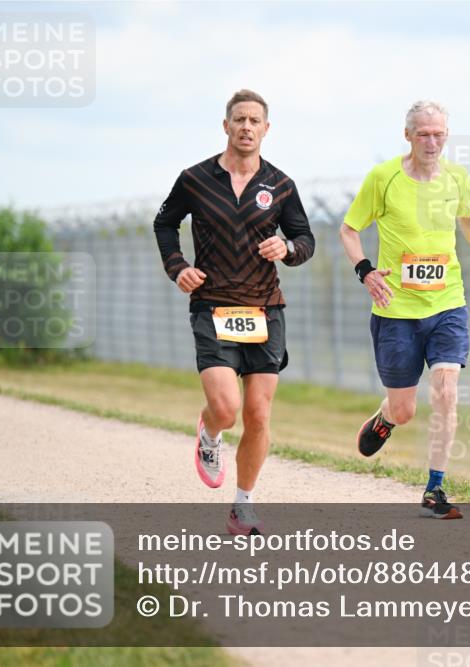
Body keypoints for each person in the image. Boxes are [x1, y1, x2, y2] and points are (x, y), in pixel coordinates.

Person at [153, 89, 314, 536]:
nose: (246, 127)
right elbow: (164, 223)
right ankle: (210, 430)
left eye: (255, 121)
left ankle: (243, 504)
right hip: (213, 304)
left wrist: (287, 248)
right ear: (226, 126)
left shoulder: (280, 185)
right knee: (227, 408)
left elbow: (305, 240)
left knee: (259, 415)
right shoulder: (195, 179)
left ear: (266, 129)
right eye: (239, 119)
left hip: (266, 308)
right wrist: (177, 267)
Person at [340, 100, 470, 520]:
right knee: (406, 410)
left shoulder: (457, 178)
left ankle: (435, 488)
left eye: (438, 133)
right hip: (396, 309)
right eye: (423, 134)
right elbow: (349, 229)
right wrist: (365, 271)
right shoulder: (384, 178)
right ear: (408, 135)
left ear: (446, 135)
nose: (432, 141)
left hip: (448, 302)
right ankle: (386, 417)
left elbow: (468, 221)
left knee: (447, 391)